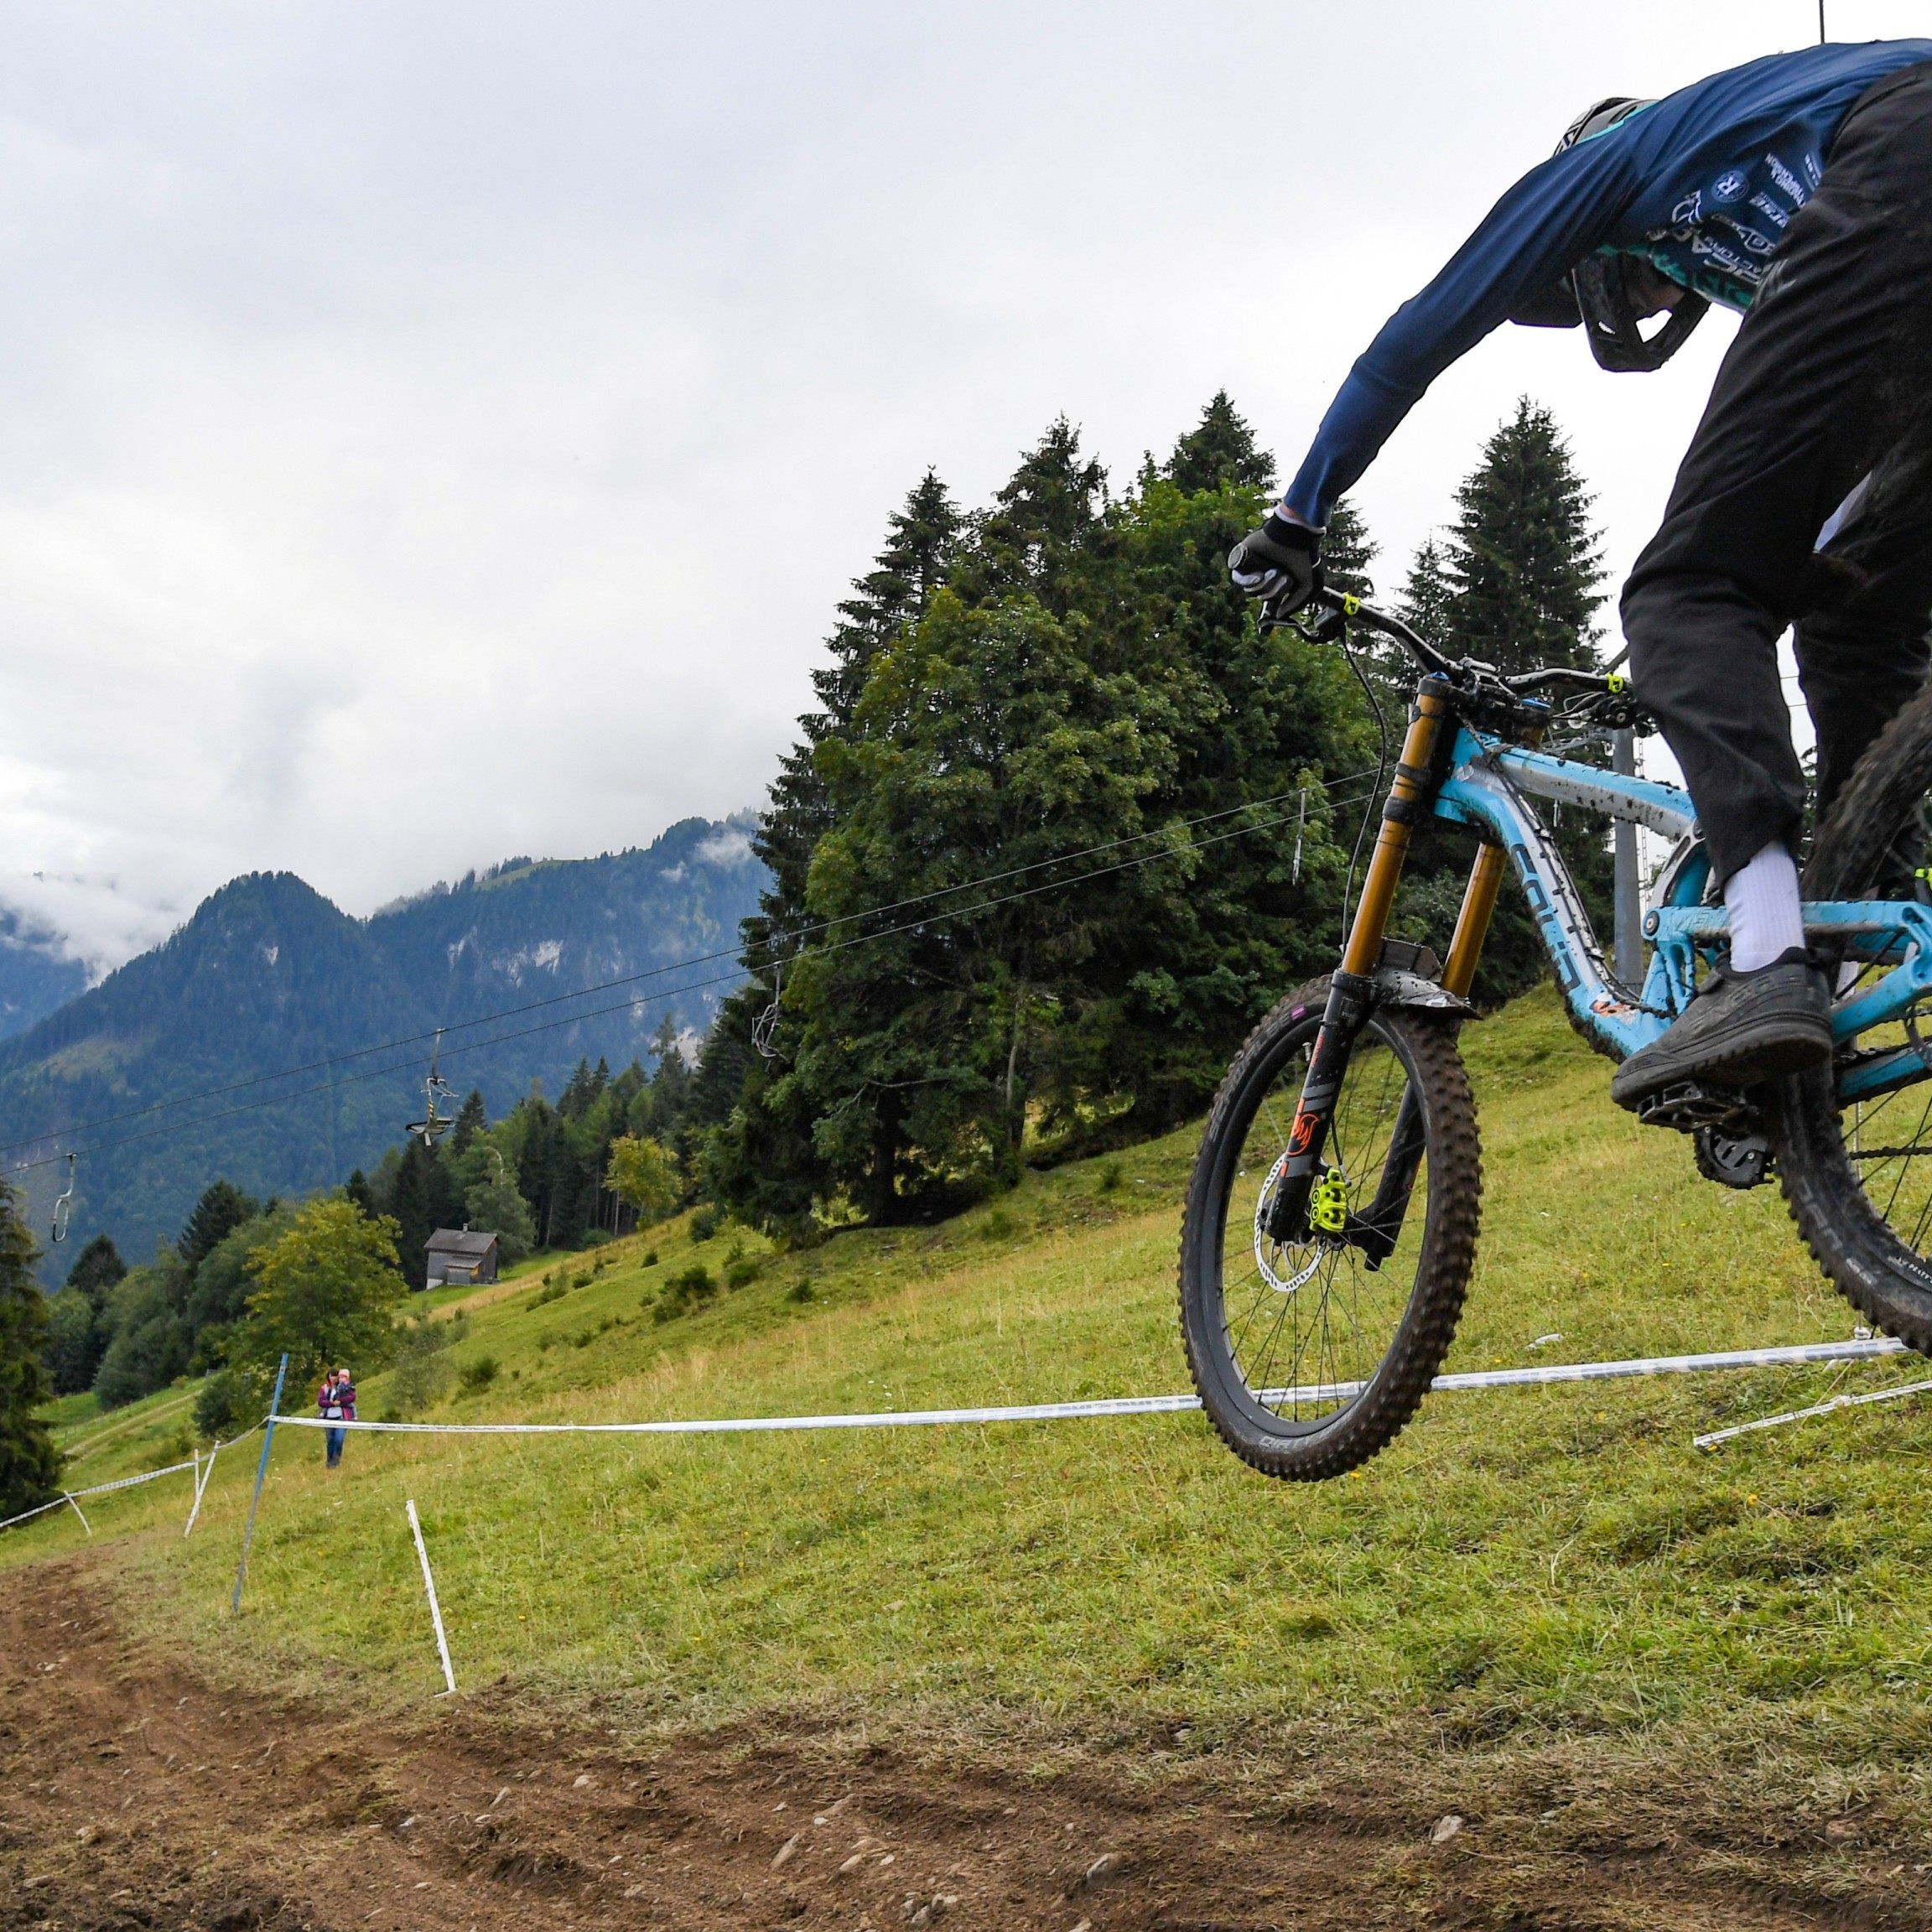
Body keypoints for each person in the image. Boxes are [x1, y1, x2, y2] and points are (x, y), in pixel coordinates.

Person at [1229, 41, 1932, 1114]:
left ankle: (1769, 958)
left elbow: (1414, 338)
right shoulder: (1778, 185)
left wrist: (1298, 513)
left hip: (1905, 149)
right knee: (1850, 621)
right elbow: (1845, 445)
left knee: (1687, 593)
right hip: (1898, 215)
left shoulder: (1620, 156)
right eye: (1647, 279)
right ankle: (1880, 891)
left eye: (1637, 274)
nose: (1651, 291)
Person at [319, 1366, 356, 1468]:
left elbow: (352, 1397)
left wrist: (341, 1402)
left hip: (342, 1417)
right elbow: (320, 1401)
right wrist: (331, 1403)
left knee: (339, 1439)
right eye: (331, 1376)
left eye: (335, 1376)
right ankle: (329, 1462)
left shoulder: (345, 1387)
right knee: (330, 1440)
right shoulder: (325, 1388)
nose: (333, 1378)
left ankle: (336, 1461)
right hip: (328, 1418)